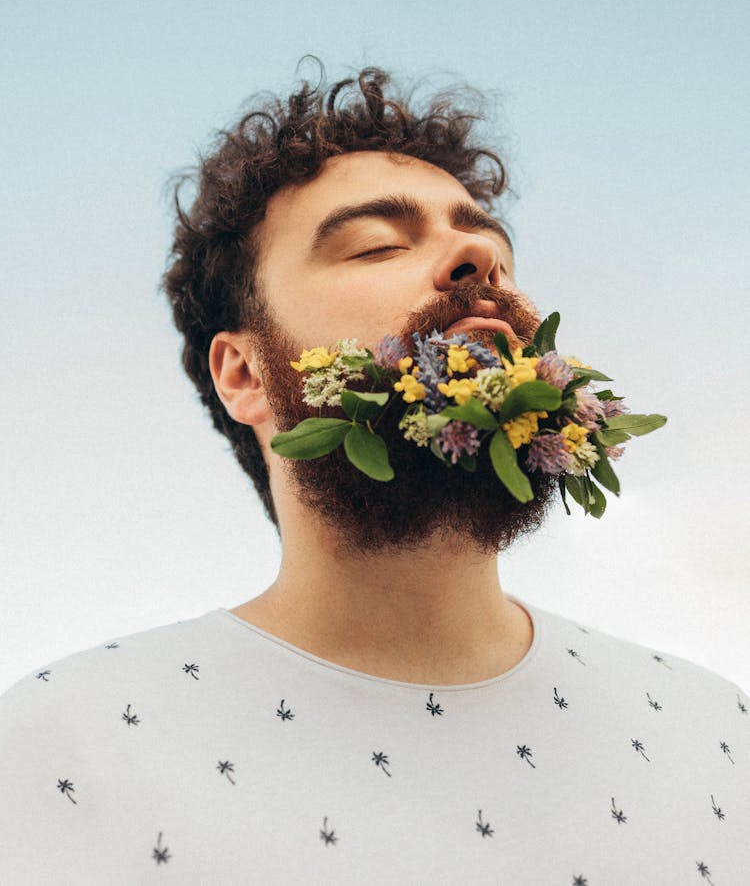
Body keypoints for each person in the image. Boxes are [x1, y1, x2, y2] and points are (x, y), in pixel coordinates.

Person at [1, 64, 747, 885]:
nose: (477, 257)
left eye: (492, 247)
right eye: (378, 244)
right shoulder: (60, 743)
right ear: (243, 373)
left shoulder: (717, 734)